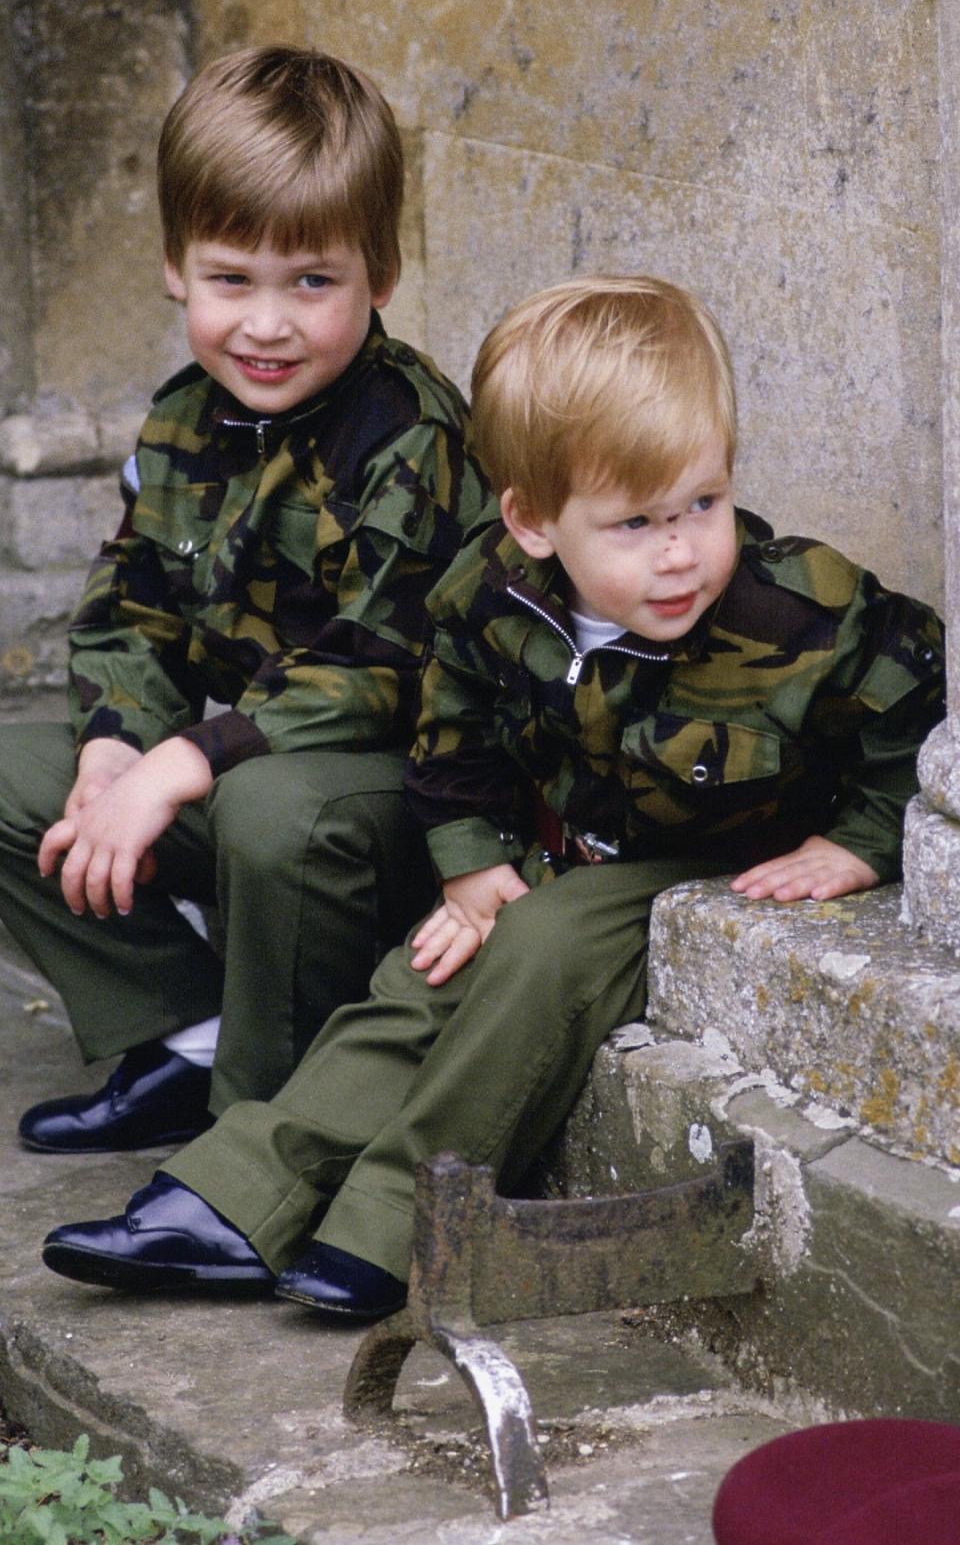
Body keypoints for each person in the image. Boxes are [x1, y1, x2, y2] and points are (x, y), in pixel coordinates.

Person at [40, 275, 945, 1317]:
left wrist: (866, 839)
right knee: (422, 975)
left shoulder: (801, 613)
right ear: (533, 522)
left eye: (705, 501)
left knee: (542, 950)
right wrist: (470, 865)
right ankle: (237, 1192)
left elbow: (914, 689)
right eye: (636, 521)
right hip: (572, 845)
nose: (681, 552)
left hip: (706, 862)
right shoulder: (492, 594)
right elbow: (451, 726)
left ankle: (397, 1222)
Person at [3, 44, 489, 1153]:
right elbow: (131, 605)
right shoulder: (185, 415)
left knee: (274, 814)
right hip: (228, 759)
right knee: (17, 782)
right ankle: (187, 1033)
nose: (266, 325)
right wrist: (116, 749)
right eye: (232, 280)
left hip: (379, 800)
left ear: (382, 272)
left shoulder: (409, 432)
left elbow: (381, 666)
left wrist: (183, 761)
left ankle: (257, 1136)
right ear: (176, 265)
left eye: (312, 282)